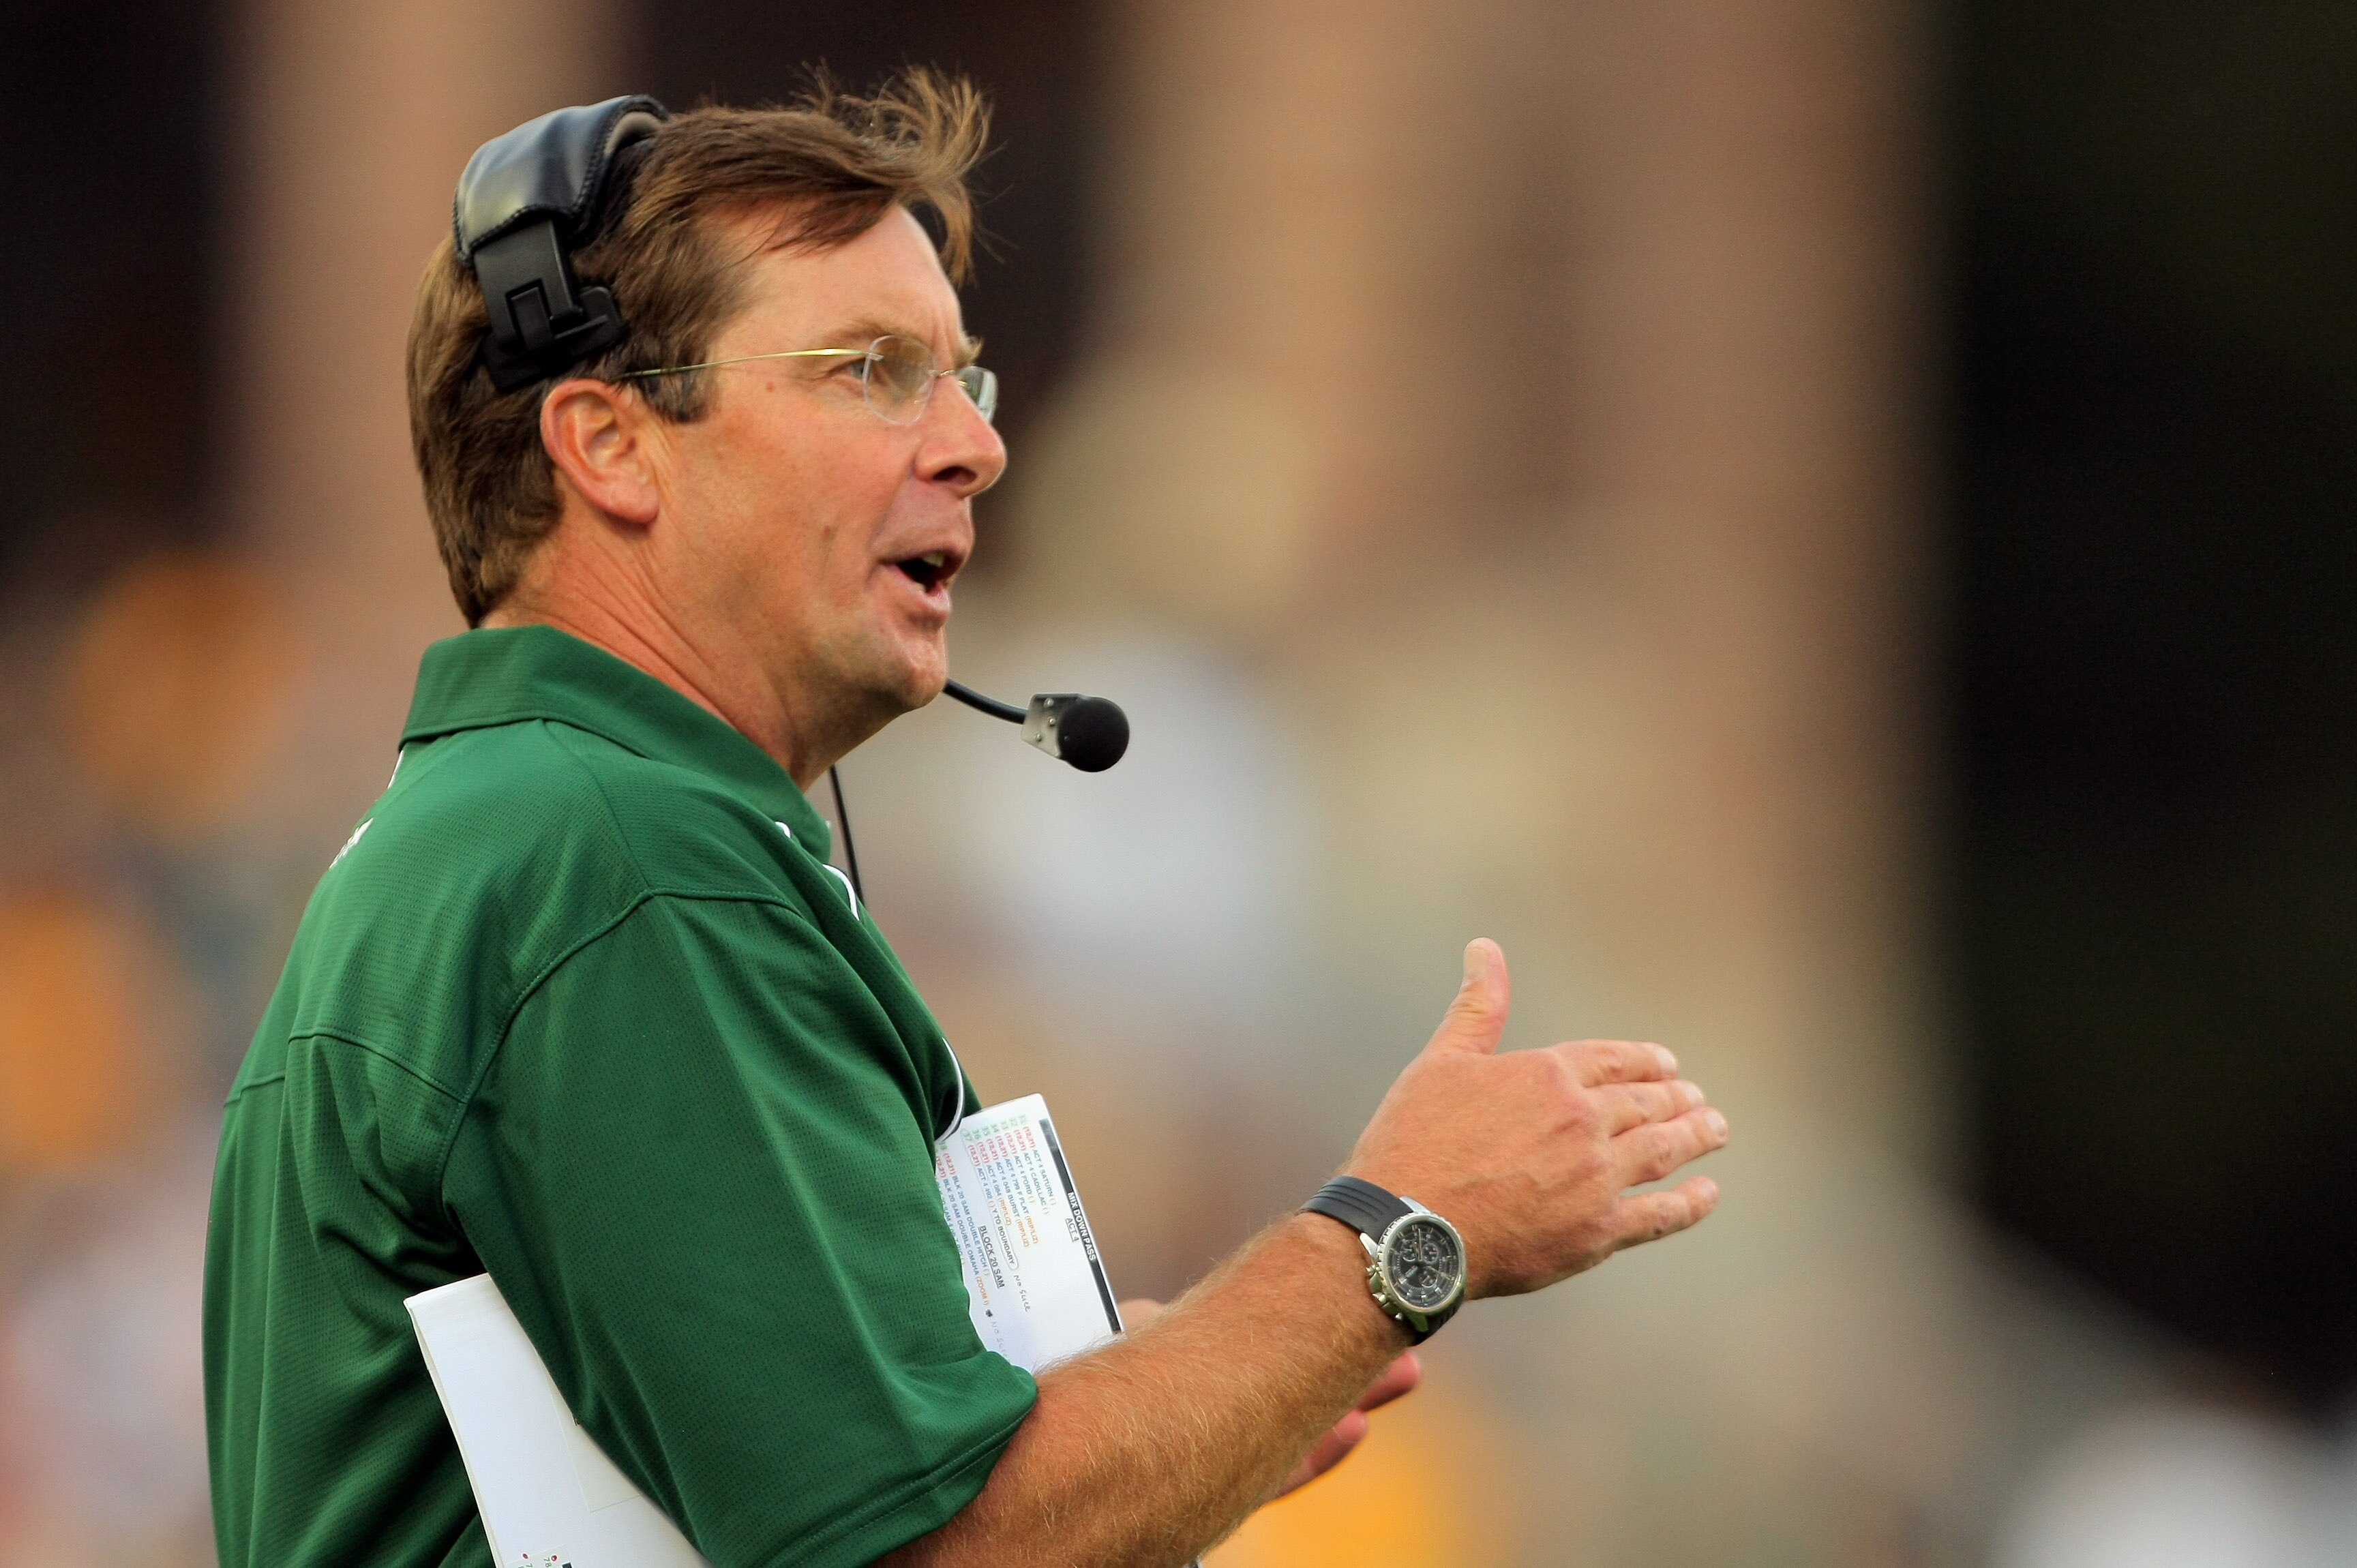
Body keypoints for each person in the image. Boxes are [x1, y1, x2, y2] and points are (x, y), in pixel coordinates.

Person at [202, 72, 1729, 1568]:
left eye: (961, 375)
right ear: (608, 444)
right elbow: (929, 1550)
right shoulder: (614, 861)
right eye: (866, 371)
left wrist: (1192, 1401)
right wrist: (1398, 1232)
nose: (975, 444)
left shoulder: (520, 826)